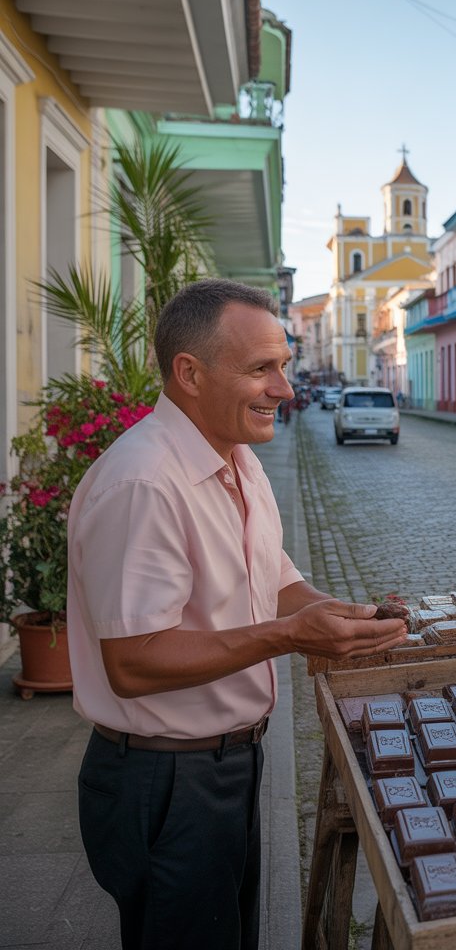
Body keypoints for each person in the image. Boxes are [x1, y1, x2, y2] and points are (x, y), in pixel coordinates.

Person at [68, 279, 408, 950]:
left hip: (224, 765)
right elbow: (133, 662)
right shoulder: (145, 482)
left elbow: (274, 582)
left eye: (283, 365)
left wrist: (344, 615)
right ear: (190, 374)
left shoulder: (237, 459)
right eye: (261, 369)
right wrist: (290, 635)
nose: (285, 389)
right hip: (164, 780)